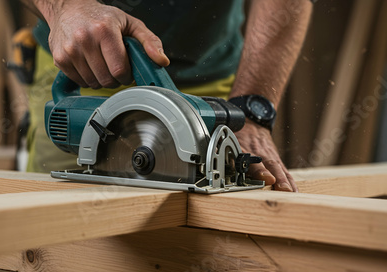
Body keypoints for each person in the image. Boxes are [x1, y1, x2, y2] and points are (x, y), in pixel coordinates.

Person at [21, 0, 315, 192]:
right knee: (49, 230)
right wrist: (63, 8)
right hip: (79, 58)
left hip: (212, 70)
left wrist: (249, 109)